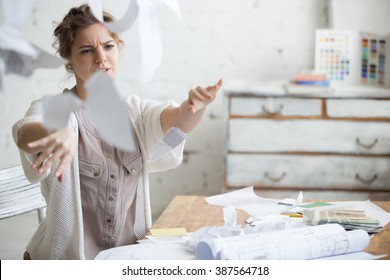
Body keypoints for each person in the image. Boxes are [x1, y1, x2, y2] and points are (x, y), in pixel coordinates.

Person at [12, 4, 222, 260]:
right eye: (87, 51)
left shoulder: (136, 113)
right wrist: (56, 133)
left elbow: (178, 120)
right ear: (69, 60)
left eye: (108, 46)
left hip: (126, 258)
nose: (101, 59)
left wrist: (194, 108)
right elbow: (25, 132)